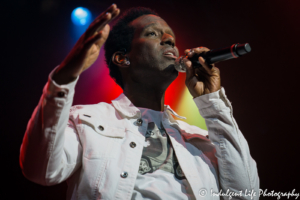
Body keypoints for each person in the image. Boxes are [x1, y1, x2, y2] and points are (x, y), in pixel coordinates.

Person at [19, 4, 259, 200]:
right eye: (153, 34)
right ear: (123, 58)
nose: (169, 41)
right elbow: (42, 170)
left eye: (172, 38)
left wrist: (212, 100)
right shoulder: (85, 120)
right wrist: (64, 77)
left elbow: (246, 194)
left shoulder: (198, 137)